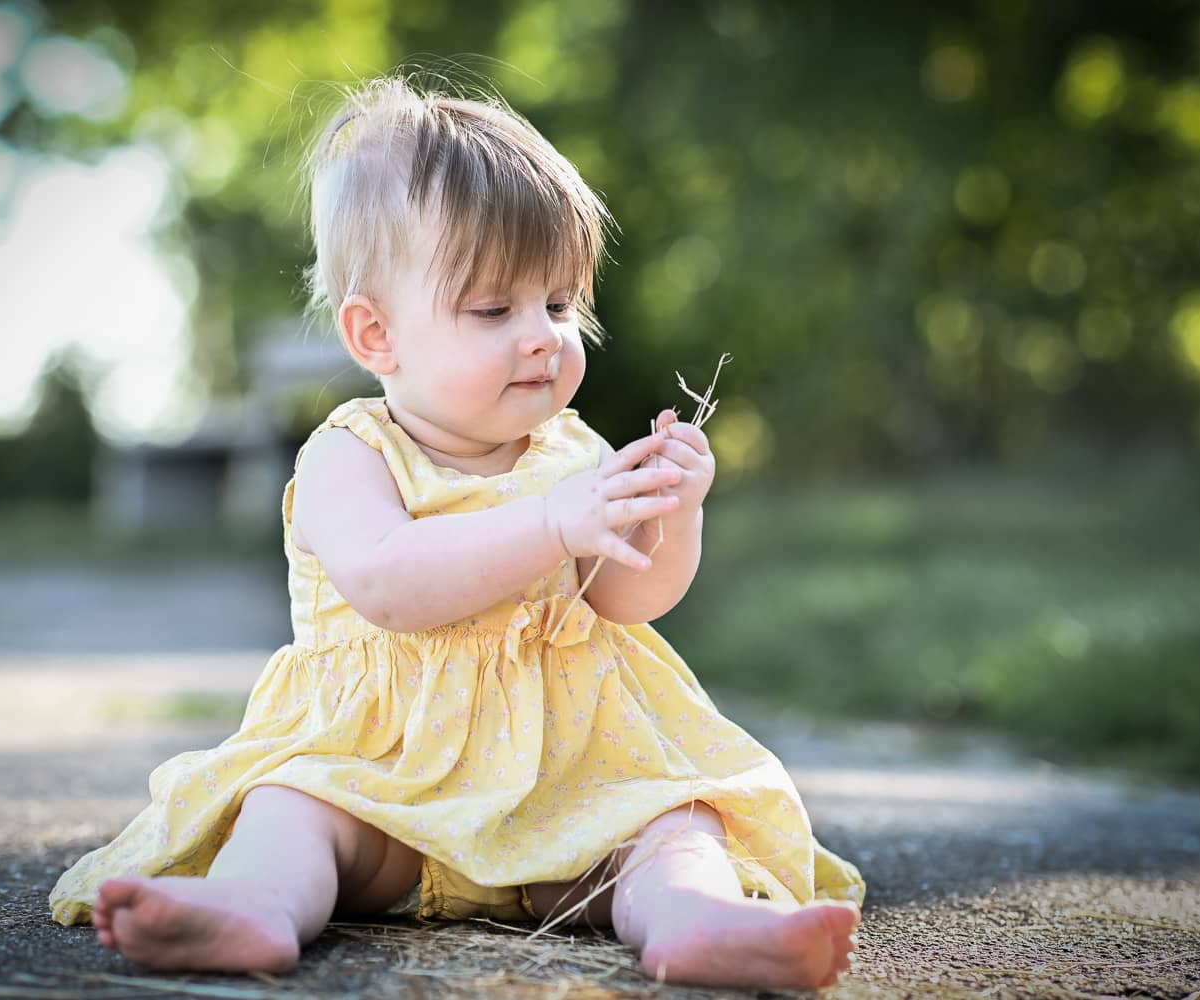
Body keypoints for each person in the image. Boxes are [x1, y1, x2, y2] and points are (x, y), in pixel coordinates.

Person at [50, 75, 866, 991]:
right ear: (377, 335)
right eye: (494, 310)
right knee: (288, 807)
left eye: (559, 305)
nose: (542, 338)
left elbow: (629, 598)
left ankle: (694, 919)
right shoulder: (349, 456)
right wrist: (555, 520)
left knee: (678, 822)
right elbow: (393, 584)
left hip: (570, 781)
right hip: (382, 779)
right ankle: (255, 908)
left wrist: (673, 511)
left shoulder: (574, 452)